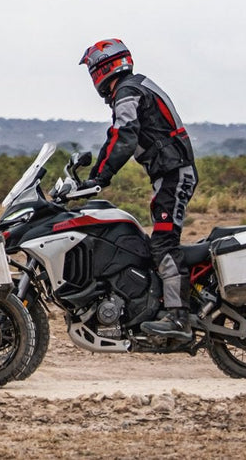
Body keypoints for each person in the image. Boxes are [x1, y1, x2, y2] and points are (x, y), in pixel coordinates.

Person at [79, 38, 198, 341]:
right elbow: (118, 136)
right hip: (169, 174)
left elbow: (124, 135)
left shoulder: (128, 91)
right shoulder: (132, 87)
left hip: (174, 174)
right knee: (149, 242)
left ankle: (178, 318)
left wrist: (99, 179)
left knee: (163, 242)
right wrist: (93, 177)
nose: (93, 79)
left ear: (104, 69)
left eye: (93, 71)